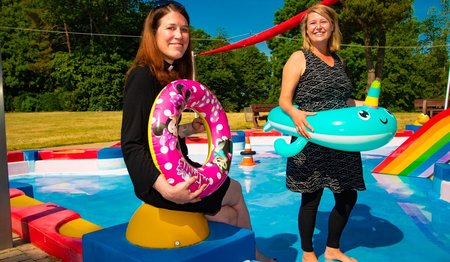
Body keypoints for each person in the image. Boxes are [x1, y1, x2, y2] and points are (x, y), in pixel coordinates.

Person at [120, 1, 275, 261]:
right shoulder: (142, 76)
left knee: (227, 216)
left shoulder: (167, 76)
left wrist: (186, 129)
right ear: (154, 32)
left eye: (184, 29)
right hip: (158, 182)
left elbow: (158, 133)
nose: (179, 36)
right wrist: (166, 189)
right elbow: (132, 144)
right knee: (235, 190)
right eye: (170, 28)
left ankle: (241, 254)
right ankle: (256, 255)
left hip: (177, 170)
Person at [278, 4, 365, 262]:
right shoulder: (299, 58)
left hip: (342, 140)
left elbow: (342, 100)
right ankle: (308, 252)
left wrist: (368, 108)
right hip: (310, 136)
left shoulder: (339, 61)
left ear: (332, 26)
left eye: (323, 22)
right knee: (311, 196)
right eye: (312, 23)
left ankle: (333, 248)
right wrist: (295, 114)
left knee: (348, 194)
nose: (318, 26)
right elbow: (284, 99)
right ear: (306, 30)